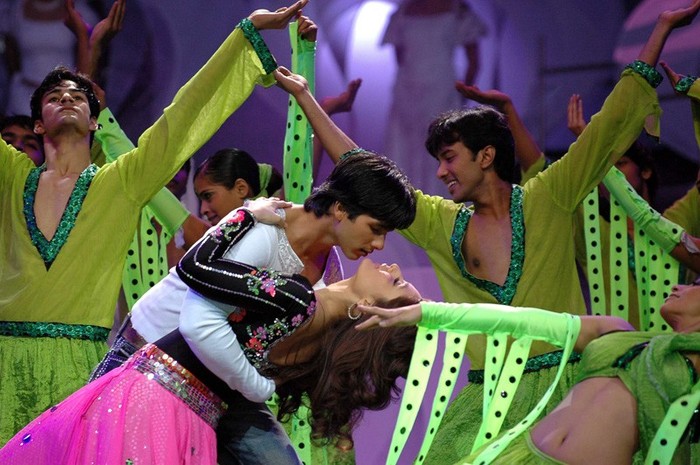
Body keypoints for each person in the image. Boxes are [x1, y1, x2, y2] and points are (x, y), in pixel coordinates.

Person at [277, 1, 700, 461]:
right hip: (486, 402)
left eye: (449, 157)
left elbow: (611, 124)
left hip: (565, 391)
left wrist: (658, 30)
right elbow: (364, 169)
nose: (439, 173)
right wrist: (305, 96)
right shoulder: (440, 222)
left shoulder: (549, 197)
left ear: (486, 157)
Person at [0, 0, 310, 446]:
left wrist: (245, 37)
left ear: (94, 120)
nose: (66, 98)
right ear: (37, 123)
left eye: (77, 96)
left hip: (81, 367)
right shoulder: (12, 178)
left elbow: (181, 121)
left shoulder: (121, 182)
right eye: (54, 97)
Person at [0, 200, 422, 465]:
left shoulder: (300, 299)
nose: (392, 262)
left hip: (173, 400)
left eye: (398, 284)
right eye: (377, 229)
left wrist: (241, 216)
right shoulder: (306, 296)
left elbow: (195, 272)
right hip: (160, 390)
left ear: (370, 312)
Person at [357, 278, 700, 464]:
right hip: (518, 455)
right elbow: (521, 320)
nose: (682, 285)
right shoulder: (619, 331)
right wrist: (429, 313)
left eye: (696, 284)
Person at [381, 0, 487, 196]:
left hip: (443, 92)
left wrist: (462, 94)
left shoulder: (458, 11)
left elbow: (474, 61)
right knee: (403, 151)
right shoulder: (403, 12)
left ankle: (440, 215)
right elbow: (400, 57)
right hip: (407, 94)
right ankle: (402, 211)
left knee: (440, 149)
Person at [194, 148, 282, 225]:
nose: (203, 210)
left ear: (241, 189)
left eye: (208, 195)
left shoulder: (276, 229)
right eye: (201, 200)